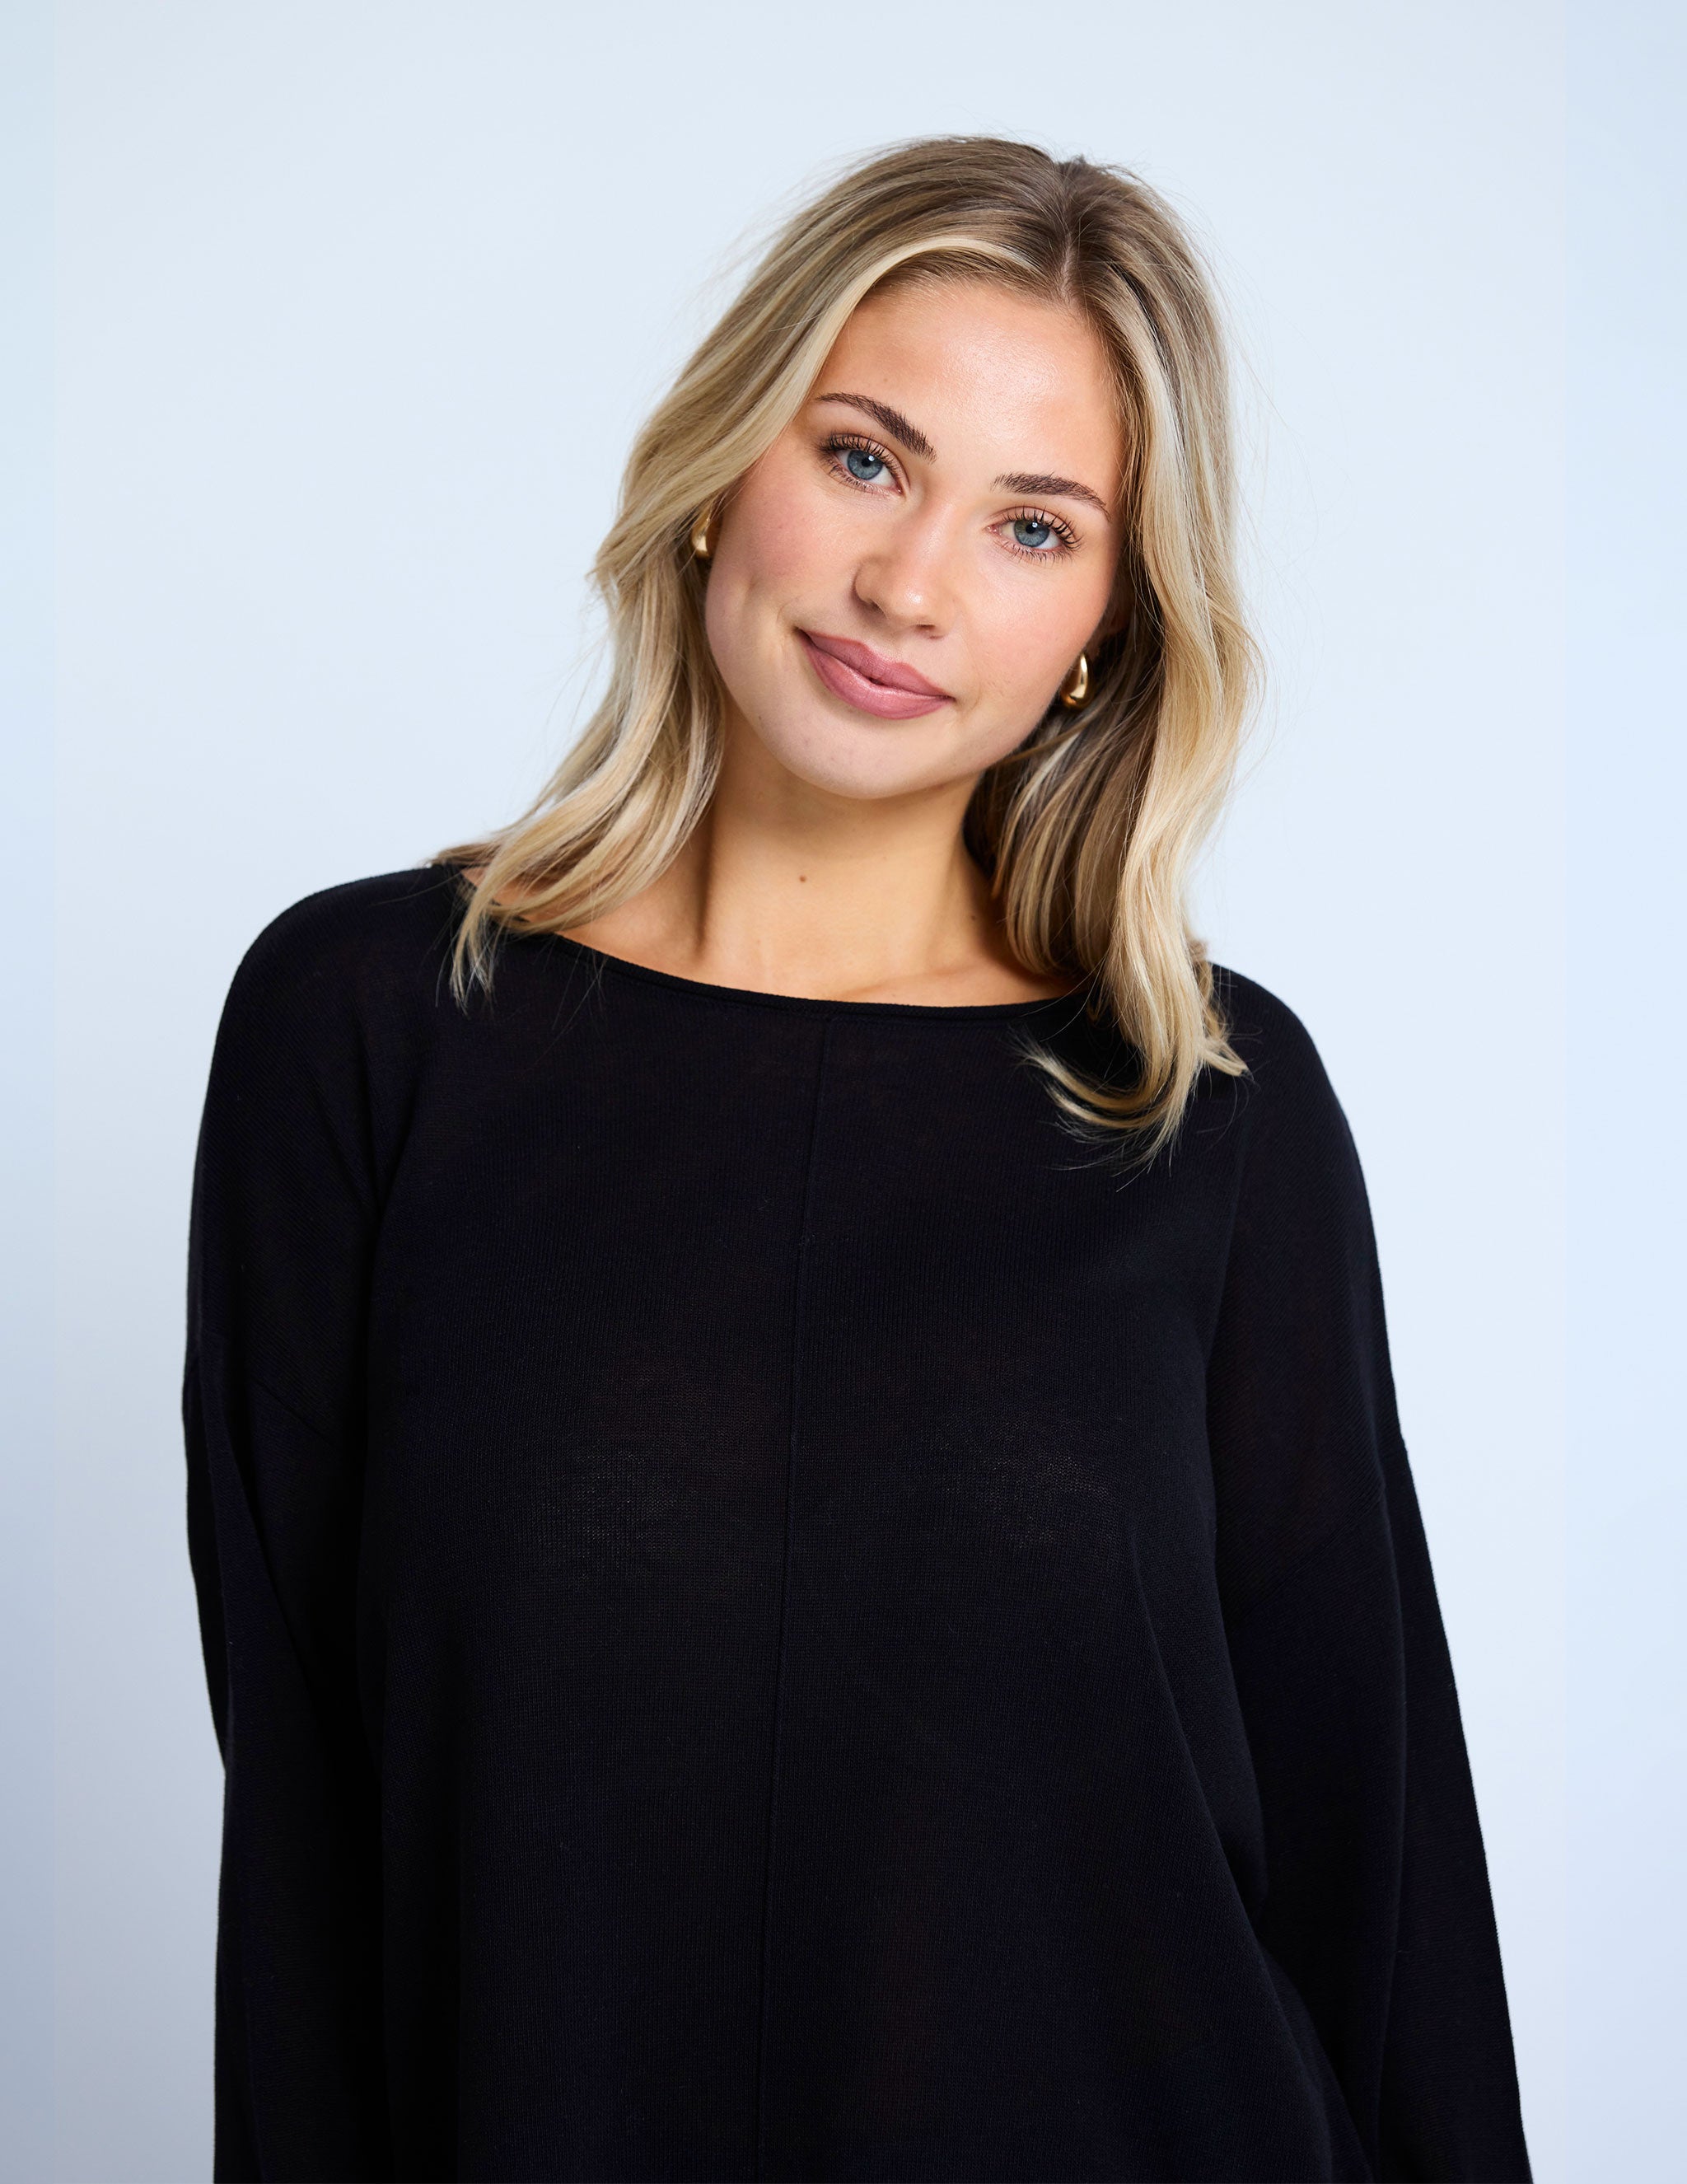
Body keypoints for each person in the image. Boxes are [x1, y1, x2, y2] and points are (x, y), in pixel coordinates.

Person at [184, 137, 1530, 2182]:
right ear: (725, 465)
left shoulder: (1205, 1107)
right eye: (866, 458)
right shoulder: (371, 1025)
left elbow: (1381, 1855)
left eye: (1032, 524)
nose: (911, 588)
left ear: (1102, 626)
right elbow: (304, 1829)